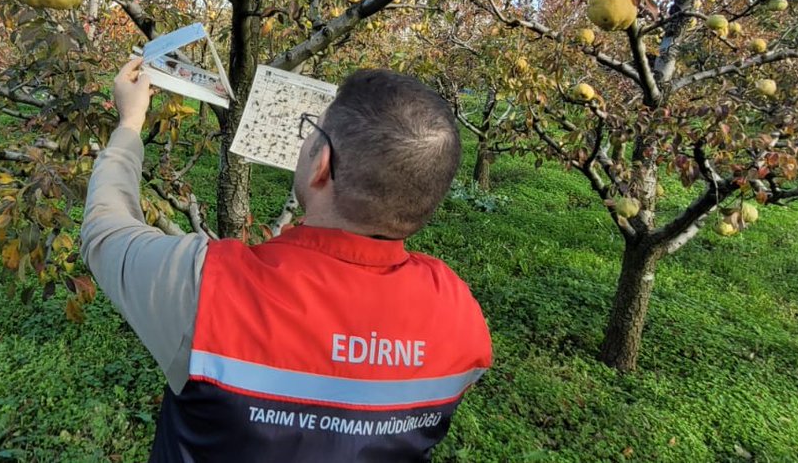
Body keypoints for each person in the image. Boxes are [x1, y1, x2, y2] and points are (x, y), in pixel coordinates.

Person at [80, 58, 492, 462]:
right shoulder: (461, 318)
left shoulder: (207, 290)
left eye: (312, 132)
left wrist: (130, 122)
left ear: (321, 165)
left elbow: (106, 230)